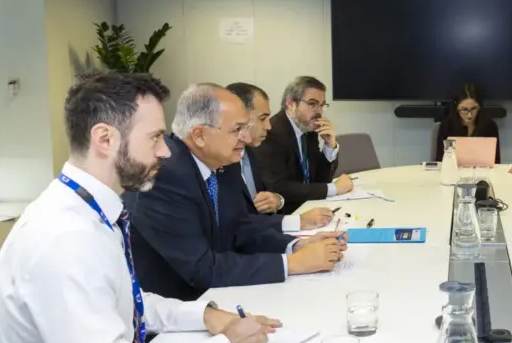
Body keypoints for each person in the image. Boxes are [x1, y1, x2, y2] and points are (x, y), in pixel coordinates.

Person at [0, 72, 280, 343]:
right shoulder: (64, 236)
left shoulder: (88, 210)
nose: (166, 152)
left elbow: (126, 298)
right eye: (154, 138)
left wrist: (204, 315)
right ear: (105, 139)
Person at [124, 84, 347, 301]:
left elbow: (240, 229)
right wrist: (295, 263)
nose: (245, 137)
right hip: (182, 309)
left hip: (223, 292)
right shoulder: (165, 176)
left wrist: (296, 246)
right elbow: (202, 269)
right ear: (199, 135)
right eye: (236, 129)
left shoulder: (223, 160)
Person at [226, 82, 333, 230]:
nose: (269, 126)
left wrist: (278, 201)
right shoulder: (223, 161)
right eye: (312, 104)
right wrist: (298, 222)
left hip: (270, 228)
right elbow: (236, 225)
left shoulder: (248, 150)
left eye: (322, 105)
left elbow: (269, 198)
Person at [255, 76, 353, 210]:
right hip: (286, 214)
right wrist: (334, 189)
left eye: (322, 105)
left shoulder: (307, 129)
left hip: (309, 206)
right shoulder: (272, 133)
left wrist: (329, 146)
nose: (319, 111)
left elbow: (319, 180)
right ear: (290, 103)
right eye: (312, 104)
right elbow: (280, 188)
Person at [434, 83, 501, 164]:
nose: (469, 115)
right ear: (456, 107)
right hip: (454, 172)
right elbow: (439, 160)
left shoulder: (490, 125)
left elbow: (496, 161)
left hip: (482, 172)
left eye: (474, 109)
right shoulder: (447, 125)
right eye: (464, 109)